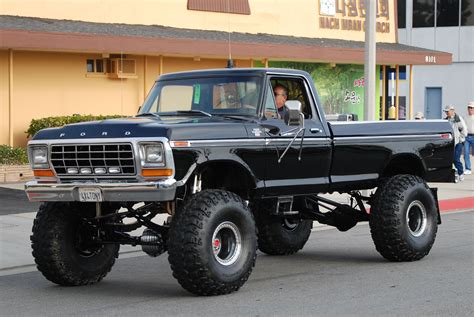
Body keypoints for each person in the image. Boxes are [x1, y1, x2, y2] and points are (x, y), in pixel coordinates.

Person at [444, 105, 468, 181]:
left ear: (452, 111)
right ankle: (454, 173)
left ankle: (461, 173)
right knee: (449, 159)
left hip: (458, 143)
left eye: (447, 111)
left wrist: (461, 140)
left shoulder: (458, 119)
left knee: (455, 159)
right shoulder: (446, 120)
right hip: (450, 143)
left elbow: (464, 130)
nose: (446, 113)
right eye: (445, 111)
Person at [463, 101, 474, 175]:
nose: (470, 109)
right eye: (469, 107)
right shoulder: (465, 117)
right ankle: (468, 169)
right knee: (466, 153)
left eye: (472, 108)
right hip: (467, 137)